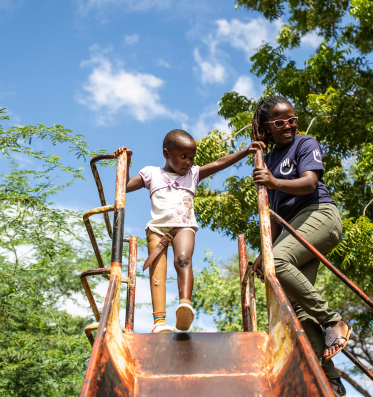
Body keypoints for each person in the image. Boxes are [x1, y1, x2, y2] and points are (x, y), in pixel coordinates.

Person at [115, 130, 264, 334]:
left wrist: (246, 151)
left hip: (183, 226)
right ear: (167, 154)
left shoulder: (193, 174)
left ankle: (184, 305)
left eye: (192, 157)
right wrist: (126, 162)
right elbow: (122, 187)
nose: (188, 162)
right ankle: (159, 322)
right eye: (183, 157)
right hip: (157, 229)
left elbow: (220, 163)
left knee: (183, 259)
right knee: (157, 273)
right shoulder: (151, 173)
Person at [250, 96, 351, 396]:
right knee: (296, 307)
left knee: (278, 264)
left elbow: (308, 182)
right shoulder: (267, 160)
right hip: (294, 227)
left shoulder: (306, 143)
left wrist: (274, 182)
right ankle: (329, 379)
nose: (288, 126)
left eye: (292, 120)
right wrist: (262, 251)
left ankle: (334, 321)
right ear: (267, 127)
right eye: (279, 122)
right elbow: (277, 217)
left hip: (320, 215)